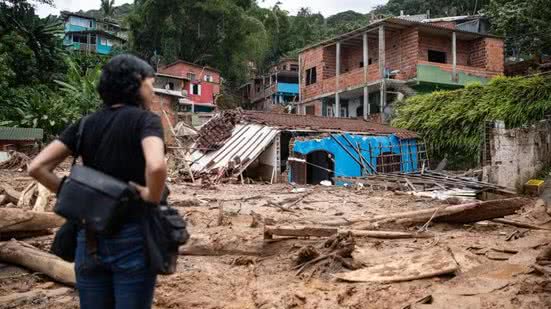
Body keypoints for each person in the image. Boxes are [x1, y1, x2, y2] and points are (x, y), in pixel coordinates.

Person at [28, 54, 167, 309]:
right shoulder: (146, 121)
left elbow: (37, 167)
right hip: (133, 236)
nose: (153, 91)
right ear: (136, 84)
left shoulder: (85, 124)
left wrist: (67, 192)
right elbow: (156, 165)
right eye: (151, 83)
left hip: (89, 238)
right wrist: (151, 195)